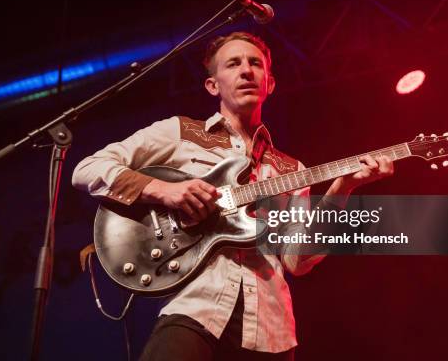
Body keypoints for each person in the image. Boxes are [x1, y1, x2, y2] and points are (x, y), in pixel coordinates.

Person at [72, 31, 394, 360]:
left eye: (255, 64)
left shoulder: (291, 169)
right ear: (213, 85)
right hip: (195, 310)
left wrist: (344, 188)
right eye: (233, 63)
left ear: (269, 84)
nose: (246, 70)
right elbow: (88, 168)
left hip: (270, 331)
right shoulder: (180, 132)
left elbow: (296, 260)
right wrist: (165, 190)